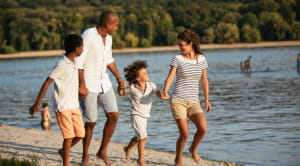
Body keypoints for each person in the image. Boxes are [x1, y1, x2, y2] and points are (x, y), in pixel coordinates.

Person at [77, 11, 126, 166]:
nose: (117, 28)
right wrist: (82, 85)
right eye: (116, 25)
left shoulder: (109, 39)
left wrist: (118, 78)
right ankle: (85, 156)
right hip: (88, 85)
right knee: (91, 122)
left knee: (114, 115)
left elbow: (109, 60)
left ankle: (102, 151)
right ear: (107, 25)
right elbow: (79, 62)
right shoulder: (88, 36)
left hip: (104, 83)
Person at [29, 34, 85, 166]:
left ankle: (62, 151)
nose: (83, 49)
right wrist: (37, 103)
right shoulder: (61, 64)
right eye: (82, 47)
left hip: (74, 105)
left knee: (80, 134)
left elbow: (69, 82)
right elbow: (47, 82)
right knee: (69, 136)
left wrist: (81, 89)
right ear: (77, 49)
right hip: (62, 106)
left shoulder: (75, 62)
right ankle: (66, 163)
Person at [159, 29, 212, 166]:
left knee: (203, 128)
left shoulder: (202, 59)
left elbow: (204, 80)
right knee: (185, 134)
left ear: (191, 43)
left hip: (194, 101)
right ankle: (178, 158)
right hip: (178, 101)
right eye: (179, 45)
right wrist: (165, 91)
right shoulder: (178, 59)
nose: (179, 47)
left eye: (182, 45)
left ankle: (193, 149)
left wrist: (206, 99)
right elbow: (170, 77)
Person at [118, 60, 163, 166]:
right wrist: (120, 86)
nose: (147, 74)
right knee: (143, 136)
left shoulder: (151, 85)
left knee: (139, 136)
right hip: (136, 115)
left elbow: (158, 93)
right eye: (144, 73)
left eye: (147, 72)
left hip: (145, 116)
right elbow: (121, 93)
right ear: (137, 78)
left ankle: (127, 148)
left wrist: (162, 94)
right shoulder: (133, 88)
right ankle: (141, 160)